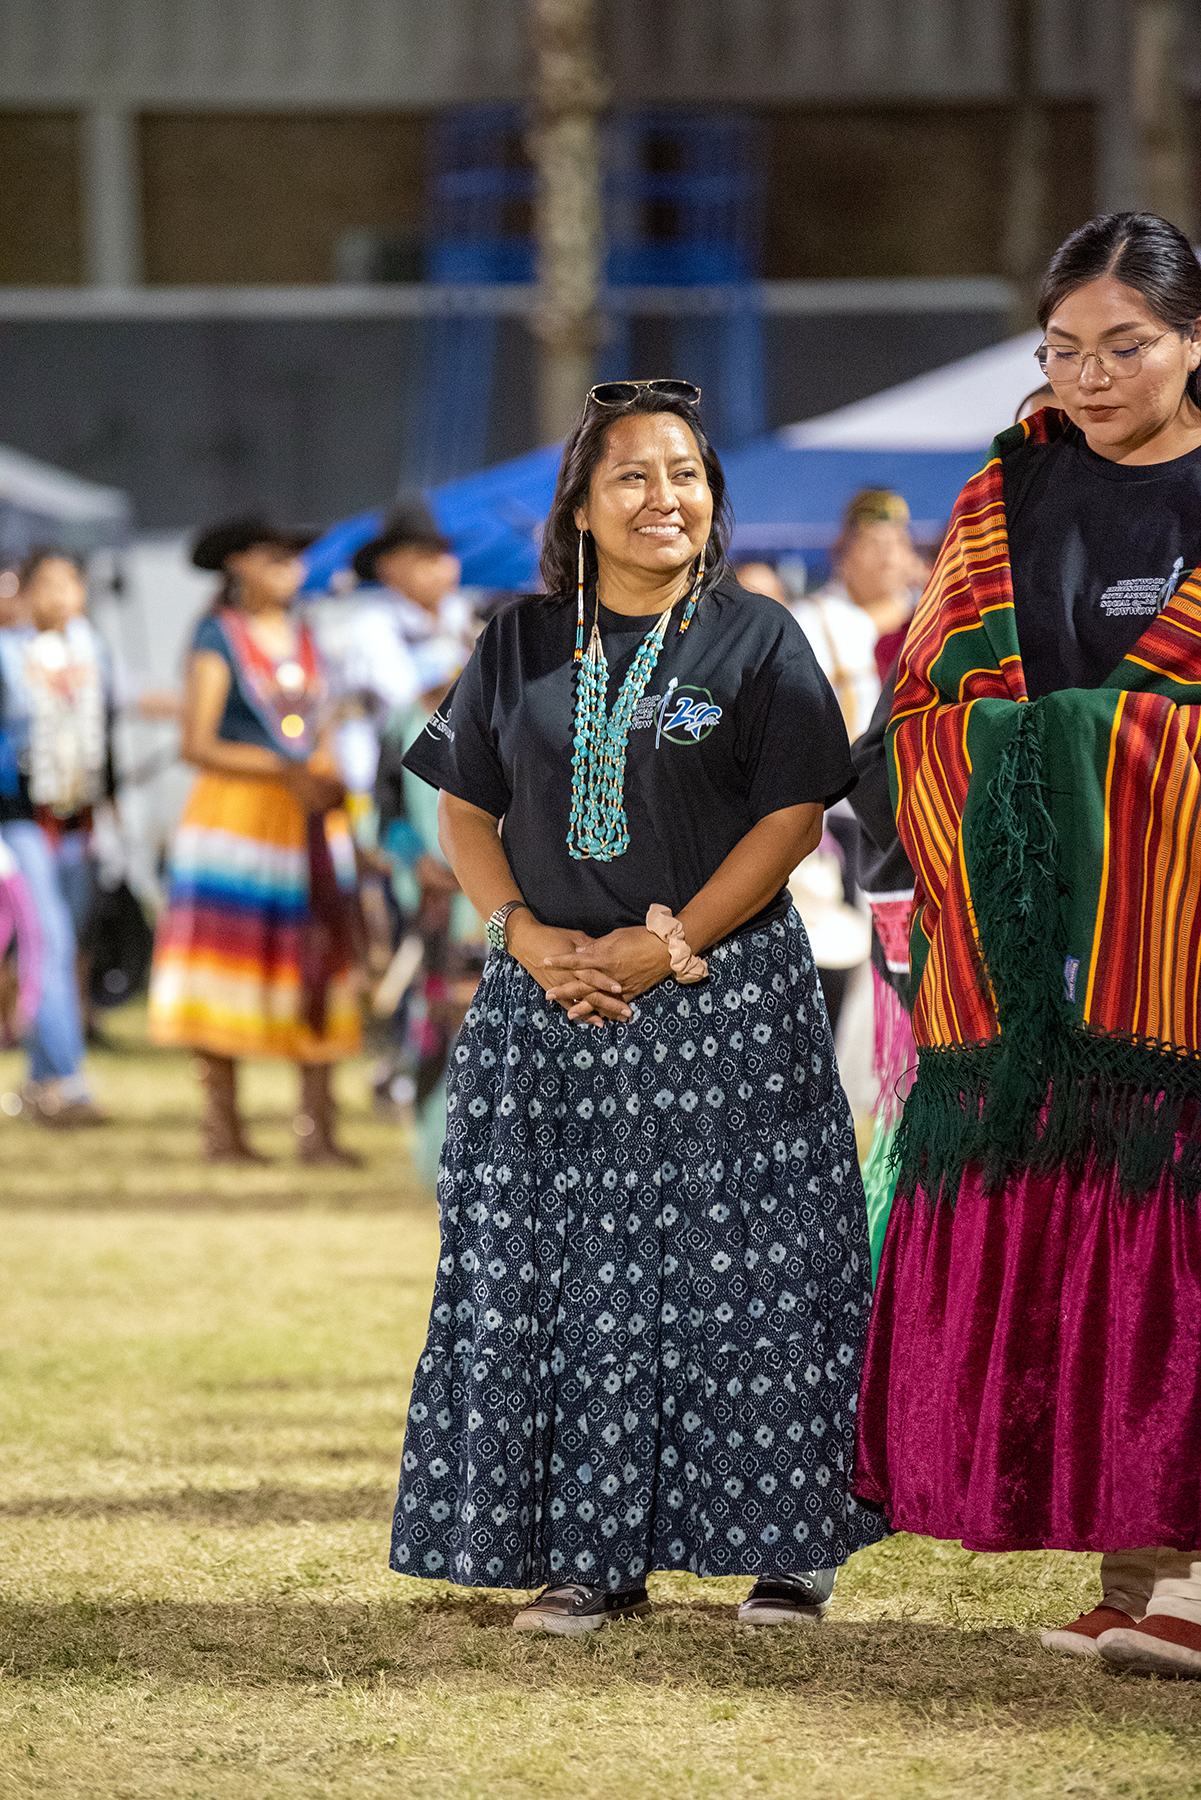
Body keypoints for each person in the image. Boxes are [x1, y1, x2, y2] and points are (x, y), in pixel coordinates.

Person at [389, 377, 886, 1634]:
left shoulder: (756, 636)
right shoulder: (514, 640)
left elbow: (789, 815)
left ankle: (790, 1548)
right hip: (547, 1006)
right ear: (583, 506)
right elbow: (463, 801)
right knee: (570, 1280)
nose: (664, 498)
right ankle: (590, 1555)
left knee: (756, 1276)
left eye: (685, 475)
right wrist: (525, 935)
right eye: (632, 476)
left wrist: (670, 946)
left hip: (721, 999)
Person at [854, 212, 1201, 1678]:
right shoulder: (1013, 488)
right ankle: (1139, 1572)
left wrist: (1108, 750)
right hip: (1039, 943)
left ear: (1194, 340)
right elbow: (926, 699)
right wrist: (1020, 753)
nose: (1094, 372)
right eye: (1064, 347)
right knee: (1104, 1217)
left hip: (1177, 937)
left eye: (1127, 344)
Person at [148, 516, 363, 1164]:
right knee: (226, 963)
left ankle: (317, 1128)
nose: (290, 572)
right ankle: (223, 1129)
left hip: (307, 819)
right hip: (235, 824)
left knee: (320, 952)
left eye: (295, 560)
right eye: (274, 559)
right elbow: (198, 741)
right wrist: (285, 771)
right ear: (238, 564)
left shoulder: (305, 635)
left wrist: (324, 774)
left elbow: (319, 720)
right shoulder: (218, 636)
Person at [0, 553, 108, 1125]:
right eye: (46, 585)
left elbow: (112, 717)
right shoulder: (7, 653)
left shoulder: (90, 650)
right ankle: (67, 1079)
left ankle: (42, 1077)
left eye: (71, 583)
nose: (60, 596)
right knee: (49, 940)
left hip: (74, 819)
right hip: (16, 817)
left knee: (63, 944)